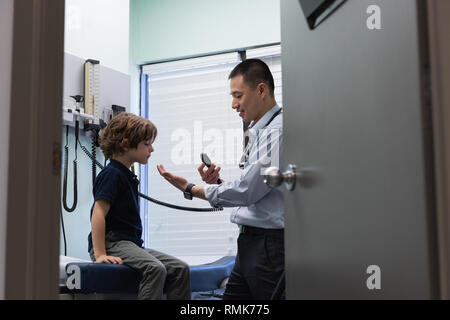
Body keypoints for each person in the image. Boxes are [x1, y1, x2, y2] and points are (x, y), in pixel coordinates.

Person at [157, 59, 284, 300]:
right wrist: (217, 184)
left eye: (238, 95)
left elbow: (248, 191)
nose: (234, 104)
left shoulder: (276, 131)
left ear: (261, 90)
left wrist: (192, 188)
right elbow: (256, 190)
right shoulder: (261, 130)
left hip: (268, 246)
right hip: (251, 243)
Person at [88, 112, 191, 300]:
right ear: (126, 144)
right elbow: (98, 212)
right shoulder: (112, 174)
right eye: (147, 144)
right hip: (112, 244)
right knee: (154, 269)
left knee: (180, 269)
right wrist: (100, 253)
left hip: (129, 243)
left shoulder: (126, 174)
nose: (151, 149)